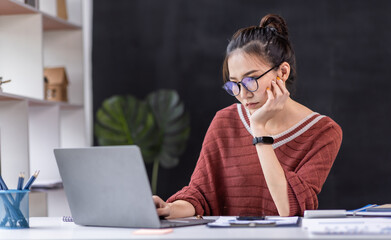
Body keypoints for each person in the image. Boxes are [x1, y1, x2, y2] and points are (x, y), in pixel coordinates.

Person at [153, 14, 342, 218]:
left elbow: (291, 209)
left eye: (251, 80)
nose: (242, 95)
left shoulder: (323, 132)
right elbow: (199, 195)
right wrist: (169, 209)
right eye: (234, 84)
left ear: (283, 73)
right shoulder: (225, 121)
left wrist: (259, 129)